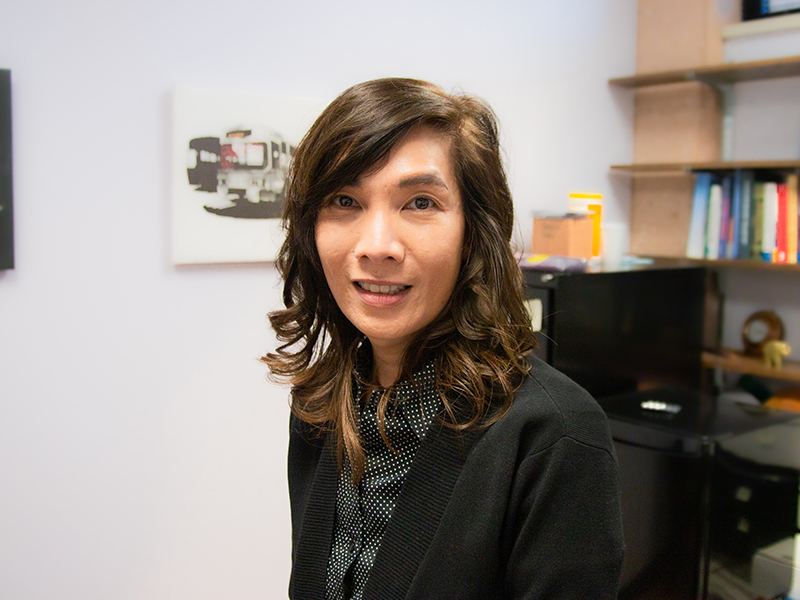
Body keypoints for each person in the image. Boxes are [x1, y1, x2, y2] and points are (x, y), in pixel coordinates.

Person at [263, 77, 624, 600]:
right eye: (344, 200)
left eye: (420, 203)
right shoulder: (322, 408)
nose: (377, 245)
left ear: (473, 234)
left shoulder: (556, 437)